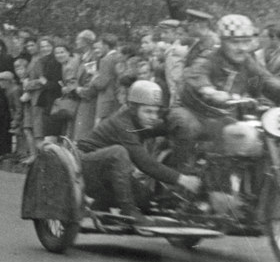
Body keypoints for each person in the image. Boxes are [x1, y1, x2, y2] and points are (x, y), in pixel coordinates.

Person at [167, 14, 280, 171]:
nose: (242, 48)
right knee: (188, 126)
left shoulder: (247, 64)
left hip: (221, 116)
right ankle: (181, 175)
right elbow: (197, 75)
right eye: (235, 42)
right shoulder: (210, 58)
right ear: (222, 41)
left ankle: (238, 184)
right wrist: (209, 90)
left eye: (246, 42)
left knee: (248, 138)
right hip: (193, 111)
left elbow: (265, 82)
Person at [77, 80, 202, 227]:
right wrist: (182, 179)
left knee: (144, 199)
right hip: (86, 168)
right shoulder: (123, 124)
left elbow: (168, 122)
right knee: (118, 152)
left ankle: (102, 203)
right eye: (148, 111)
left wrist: (182, 124)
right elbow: (145, 163)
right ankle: (128, 211)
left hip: (107, 171)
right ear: (133, 109)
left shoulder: (138, 120)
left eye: (156, 111)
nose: (153, 117)